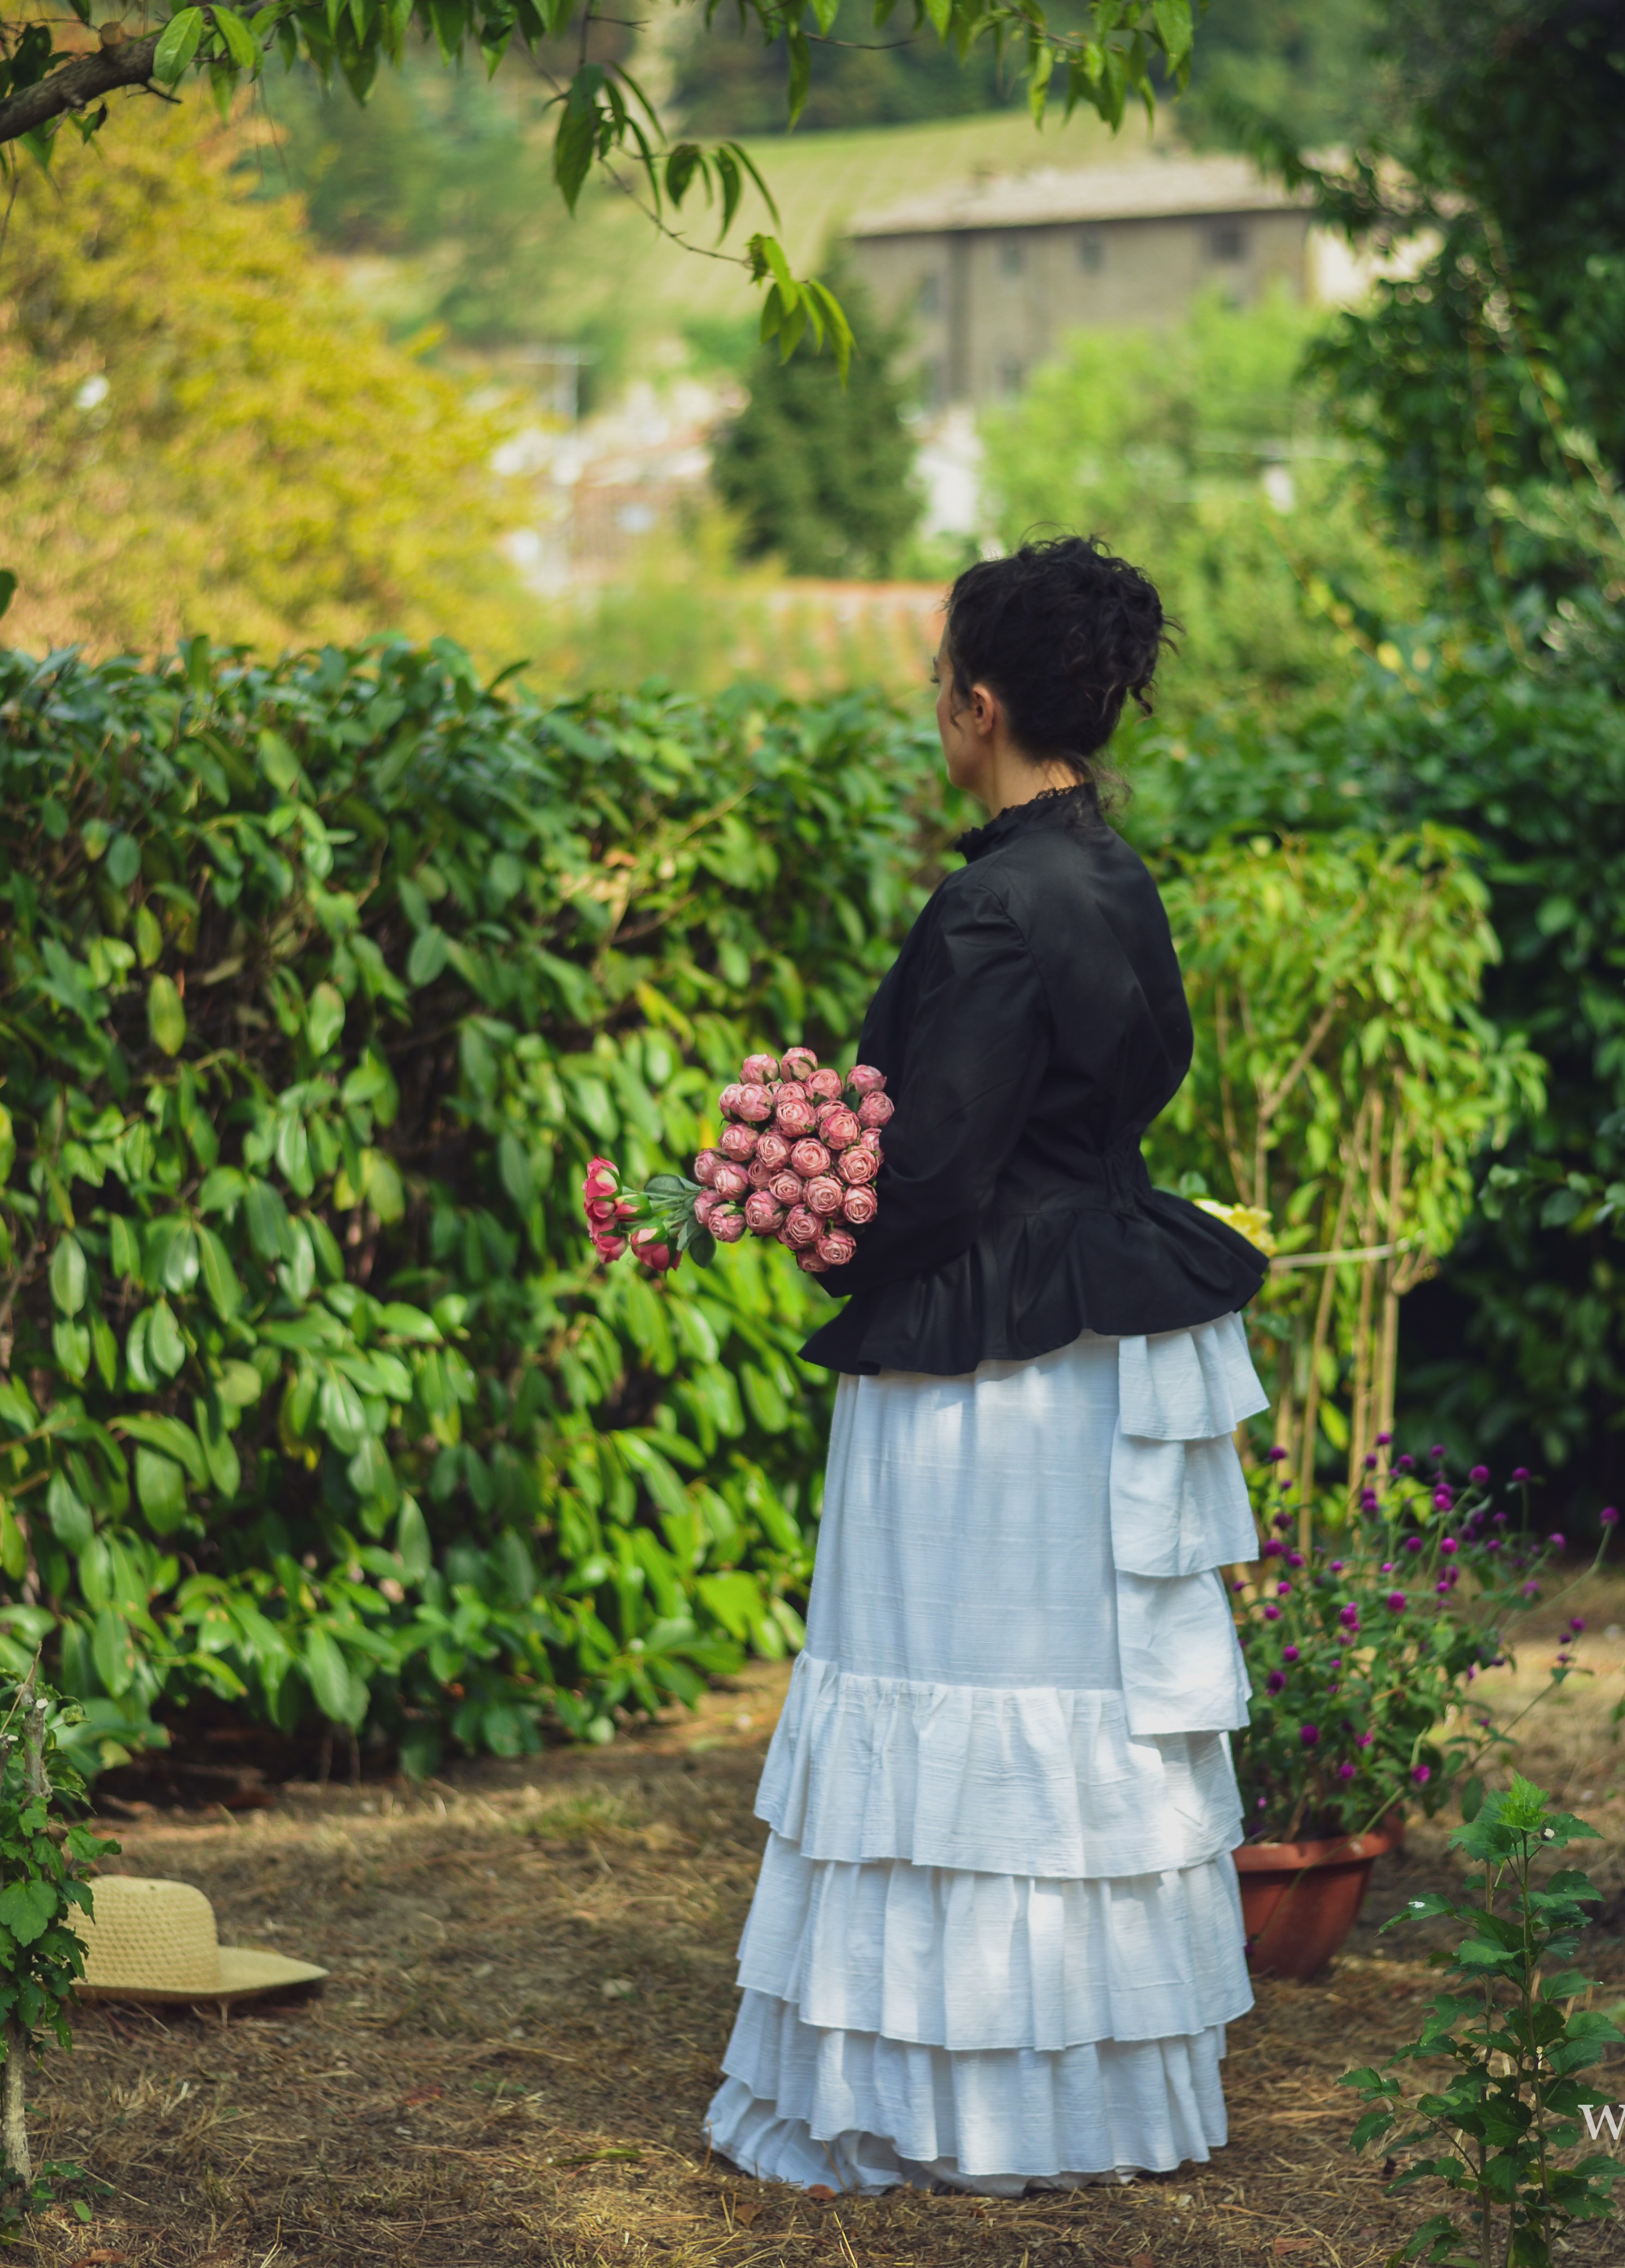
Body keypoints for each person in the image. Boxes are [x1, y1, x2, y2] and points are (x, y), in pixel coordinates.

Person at [702, 537, 1274, 2196]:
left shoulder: (991, 906)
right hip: (1098, 1337)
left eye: (940, 692)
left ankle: (940, 2108)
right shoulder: (1115, 875)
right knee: (1068, 1715)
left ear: (981, 707)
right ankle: (1085, 2101)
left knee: (957, 1694)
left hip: (984, 1370)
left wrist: (797, 1205)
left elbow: (933, 1171)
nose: (934, 717)